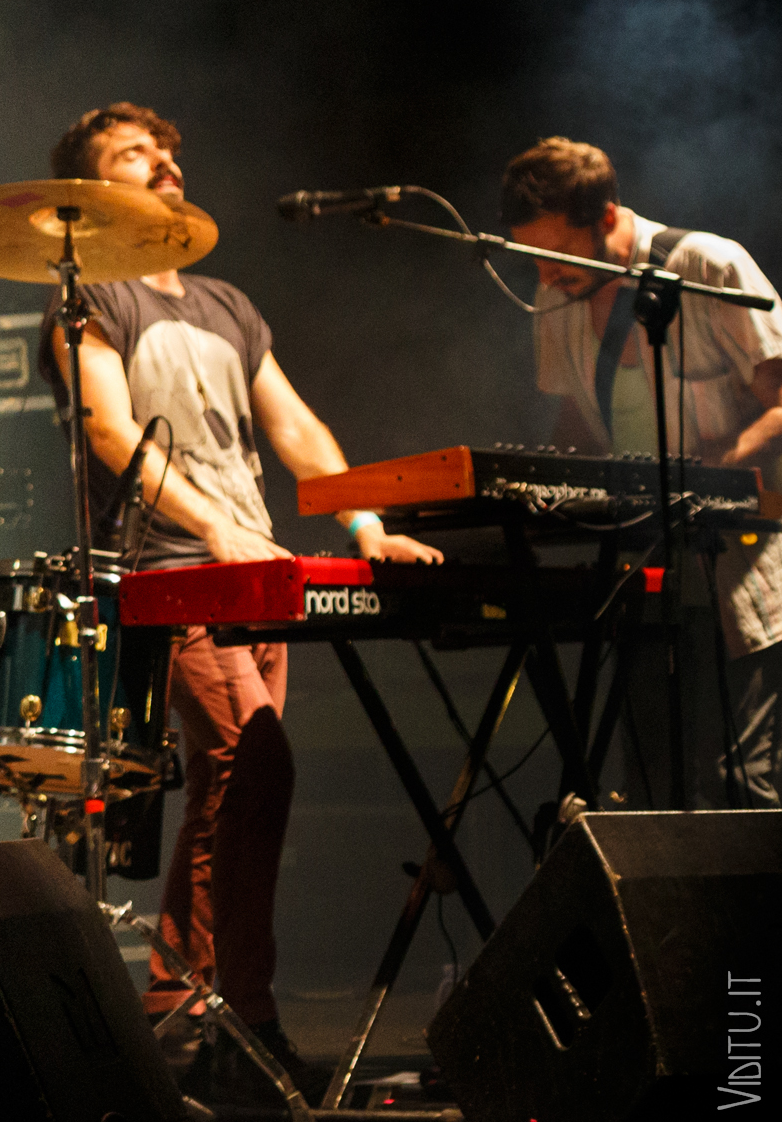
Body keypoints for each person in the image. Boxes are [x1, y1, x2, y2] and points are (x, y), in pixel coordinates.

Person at [38, 102, 441, 1091]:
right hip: (174, 569)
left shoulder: (226, 303)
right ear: (92, 196)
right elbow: (106, 430)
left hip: (254, 568)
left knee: (238, 786)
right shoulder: (92, 301)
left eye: (167, 148)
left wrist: (361, 522)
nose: (165, 162)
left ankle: (184, 1010)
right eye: (135, 154)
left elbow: (295, 427)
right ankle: (240, 1012)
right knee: (253, 764)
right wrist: (207, 522)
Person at [503, 136, 781, 808]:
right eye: (532, 257)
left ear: (605, 220)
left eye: (556, 255)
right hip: (643, 576)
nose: (544, 276)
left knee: (745, 789)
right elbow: (575, 427)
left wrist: (715, 468)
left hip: (742, 571)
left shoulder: (708, 266)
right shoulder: (556, 301)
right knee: (653, 787)